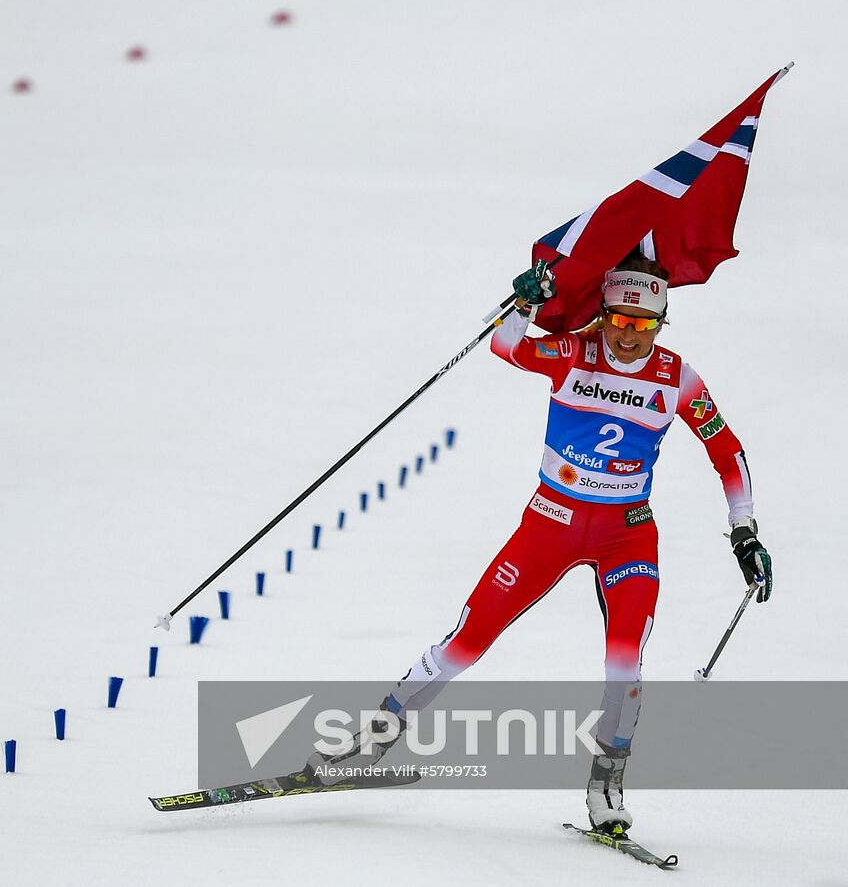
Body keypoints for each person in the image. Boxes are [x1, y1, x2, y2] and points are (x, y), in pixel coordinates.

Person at [309, 247, 773, 835]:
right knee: (470, 638)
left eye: (644, 326)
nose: (629, 338)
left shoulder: (676, 377)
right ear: (603, 314)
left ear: (660, 323)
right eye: (620, 322)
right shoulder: (574, 349)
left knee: (624, 660)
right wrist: (523, 302)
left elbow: (726, 452)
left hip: (625, 537)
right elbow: (507, 345)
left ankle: (607, 781)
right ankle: (382, 728)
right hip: (549, 524)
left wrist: (744, 531)